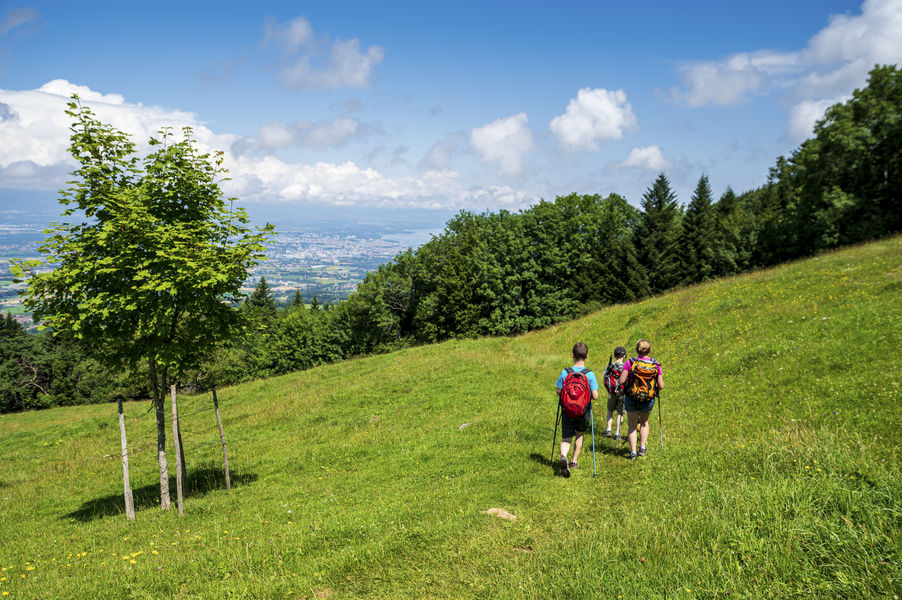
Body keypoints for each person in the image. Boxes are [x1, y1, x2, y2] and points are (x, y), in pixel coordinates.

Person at [555, 342, 599, 477]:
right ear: (587, 356)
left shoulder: (565, 372)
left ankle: (564, 455)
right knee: (579, 434)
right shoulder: (589, 374)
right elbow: (595, 396)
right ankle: (574, 461)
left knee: (566, 437)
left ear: (572, 355)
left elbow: (558, 391)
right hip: (582, 411)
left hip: (567, 410)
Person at [619, 339, 664, 460]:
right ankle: (642, 448)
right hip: (648, 399)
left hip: (631, 397)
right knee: (644, 423)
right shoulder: (656, 364)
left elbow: (622, 381)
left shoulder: (630, 362)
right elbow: (661, 385)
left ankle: (633, 452)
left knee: (632, 426)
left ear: (637, 349)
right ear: (650, 350)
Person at [603, 346, 627, 442]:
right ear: (624, 356)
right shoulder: (625, 367)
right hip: (622, 393)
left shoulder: (610, 366)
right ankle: (617, 432)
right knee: (619, 413)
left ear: (614, 355)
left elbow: (605, 378)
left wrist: (608, 390)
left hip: (612, 392)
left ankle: (608, 430)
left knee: (610, 410)